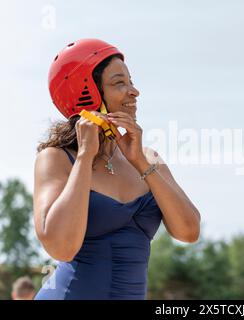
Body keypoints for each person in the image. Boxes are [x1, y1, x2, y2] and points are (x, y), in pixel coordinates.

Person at [33, 39, 201, 299]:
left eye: (130, 81)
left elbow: (189, 232)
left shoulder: (148, 159)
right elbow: (61, 247)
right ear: (86, 92)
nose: (134, 91)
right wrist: (85, 158)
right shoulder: (56, 159)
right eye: (119, 83)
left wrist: (142, 164)